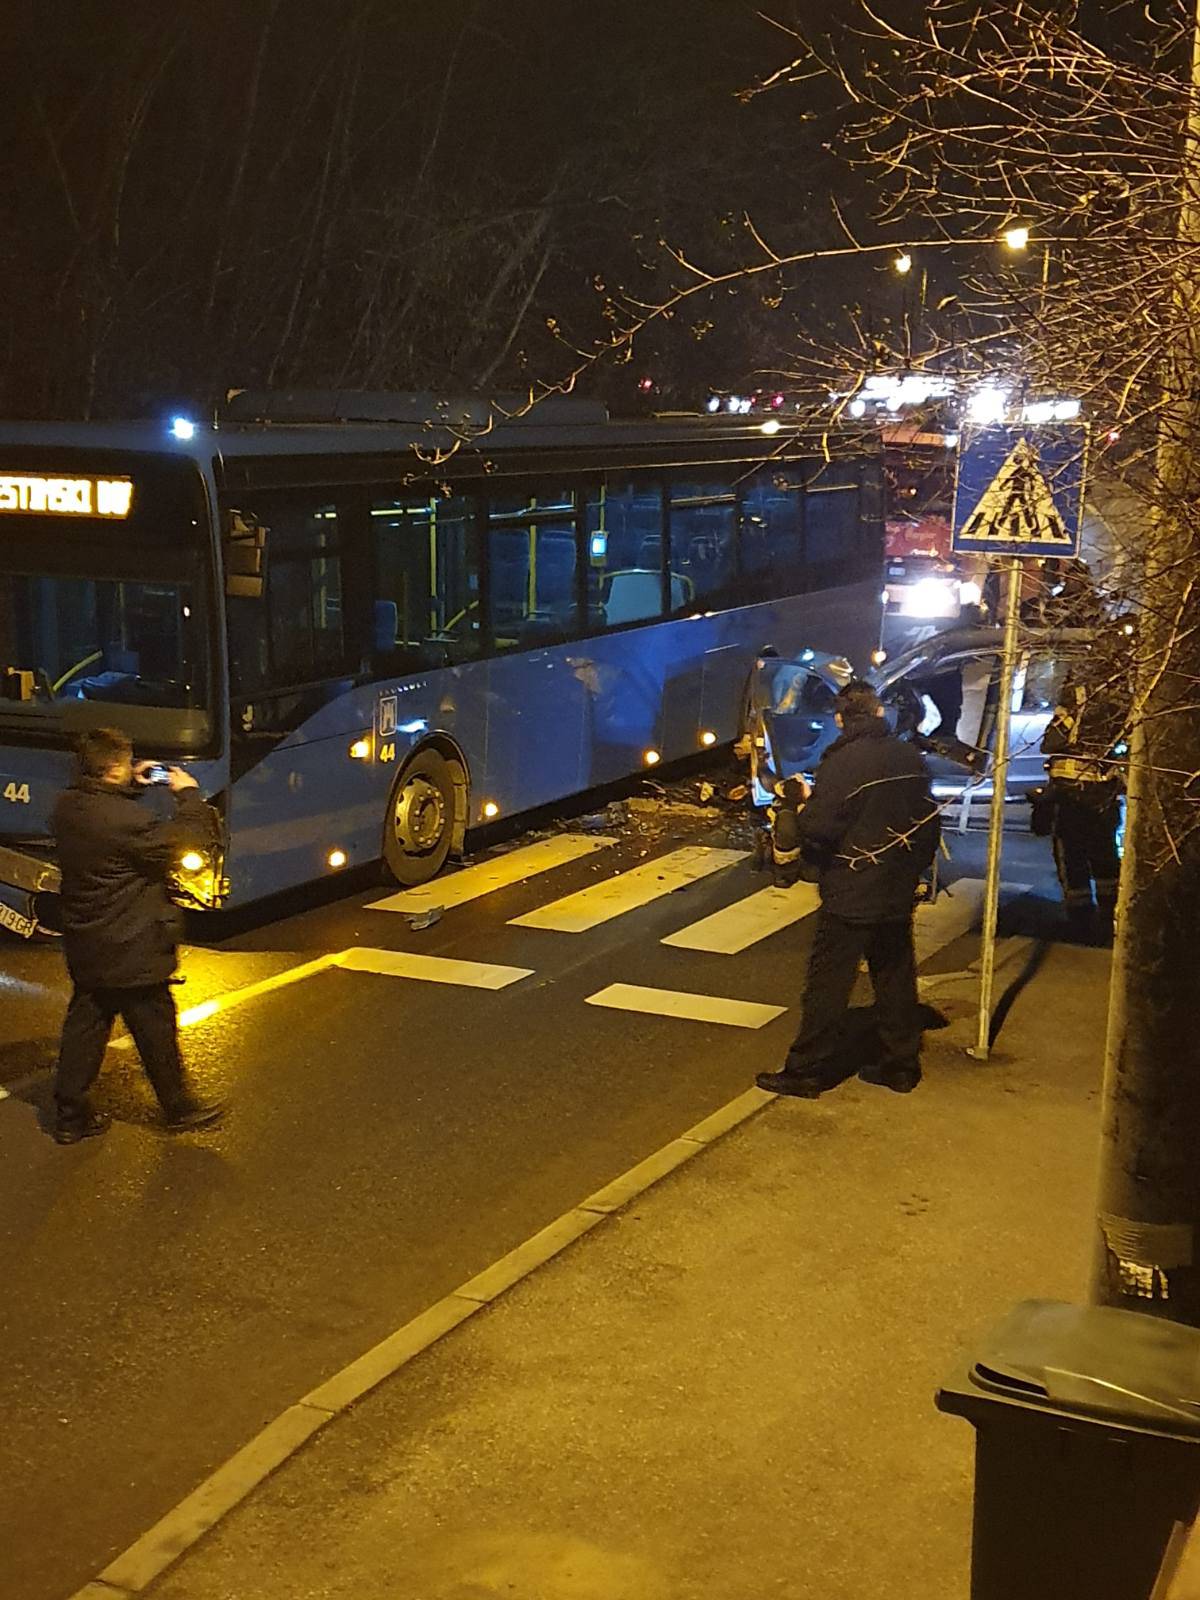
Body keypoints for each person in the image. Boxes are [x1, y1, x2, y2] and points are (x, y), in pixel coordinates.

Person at [756, 681, 940, 1098]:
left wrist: (800, 813)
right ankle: (901, 1065)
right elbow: (928, 818)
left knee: (827, 984)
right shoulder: (908, 755)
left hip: (853, 890)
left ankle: (806, 1070)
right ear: (878, 714)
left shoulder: (841, 765)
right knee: (894, 976)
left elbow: (819, 828)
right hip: (896, 886)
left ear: (840, 720)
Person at [50, 727, 225, 1144]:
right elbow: (189, 839)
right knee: (156, 1030)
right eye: (126, 764)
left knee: (85, 1029)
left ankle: (69, 1117)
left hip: (87, 941)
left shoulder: (67, 807)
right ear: (111, 769)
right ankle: (179, 1107)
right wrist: (188, 796)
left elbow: (110, 826)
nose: (132, 768)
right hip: (132, 946)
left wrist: (132, 787)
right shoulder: (128, 822)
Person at [1040, 638, 1128, 943]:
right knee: (1105, 860)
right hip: (1104, 796)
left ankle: (1080, 923)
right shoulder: (1123, 697)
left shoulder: (1077, 698)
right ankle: (1108, 919)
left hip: (1073, 798)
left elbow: (1049, 742)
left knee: (1072, 859)